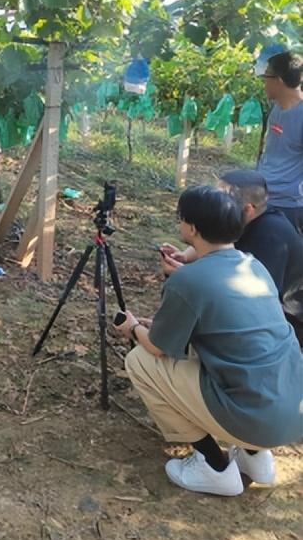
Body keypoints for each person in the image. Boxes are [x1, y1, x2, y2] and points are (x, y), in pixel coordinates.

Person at [114, 186, 302, 497]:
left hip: (254, 417)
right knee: (238, 355)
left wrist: (133, 328)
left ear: (191, 228)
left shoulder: (188, 280)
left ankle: (213, 466)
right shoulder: (252, 264)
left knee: (140, 361)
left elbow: (157, 348)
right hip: (293, 411)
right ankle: (255, 458)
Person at [160, 169, 303, 346]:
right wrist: (185, 256)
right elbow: (217, 239)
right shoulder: (246, 219)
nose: (214, 204)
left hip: (282, 327)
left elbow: (244, 298)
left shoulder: (270, 237)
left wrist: (186, 276)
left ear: (248, 209)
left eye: (222, 200)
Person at [256, 50, 303, 232]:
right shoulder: (276, 107)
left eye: (266, 77)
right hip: (263, 196)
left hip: (288, 206)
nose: (264, 83)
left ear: (279, 80)